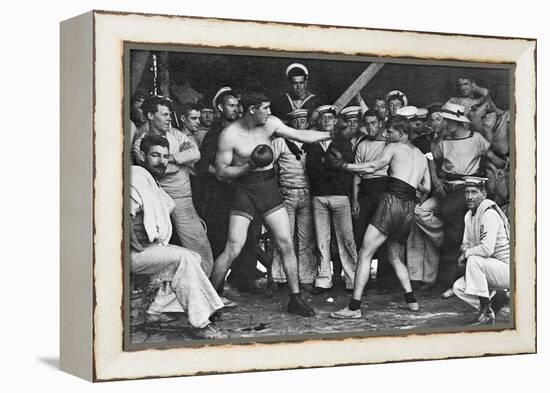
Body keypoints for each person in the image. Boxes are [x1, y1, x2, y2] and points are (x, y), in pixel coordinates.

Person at [210, 88, 333, 317]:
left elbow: (301, 135)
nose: (269, 111)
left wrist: (330, 134)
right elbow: (220, 172)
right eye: (264, 108)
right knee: (233, 246)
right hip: (244, 189)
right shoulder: (230, 134)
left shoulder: (271, 123)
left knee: (286, 242)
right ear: (252, 110)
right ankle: (209, 300)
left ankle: (295, 300)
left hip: (268, 187)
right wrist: (248, 166)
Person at [329, 115, 431, 319]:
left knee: (365, 252)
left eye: (390, 131)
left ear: (401, 133)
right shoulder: (420, 155)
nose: (386, 134)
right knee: (394, 256)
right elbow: (426, 187)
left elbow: (372, 167)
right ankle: (411, 301)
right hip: (408, 206)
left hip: (392, 202)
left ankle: (353, 308)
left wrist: (343, 166)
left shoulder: (394, 147)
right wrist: (407, 182)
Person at [130, 134, 228, 339]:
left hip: (147, 249)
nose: (161, 161)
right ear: (141, 155)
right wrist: (134, 244)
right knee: (183, 259)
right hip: (130, 254)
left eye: (165, 156)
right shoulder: (137, 177)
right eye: (155, 155)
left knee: (194, 257)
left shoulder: (151, 181)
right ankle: (200, 323)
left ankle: (154, 312)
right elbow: (124, 215)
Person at [133, 96, 214, 276]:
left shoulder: (175, 134)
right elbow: (158, 169)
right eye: (164, 114)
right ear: (150, 115)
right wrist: (180, 162)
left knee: (198, 242)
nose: (170, 118)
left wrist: (171, 158)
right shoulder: (141, 140)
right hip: (159, 201)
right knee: (158, 247)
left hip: (182, 197)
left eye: (170, 114)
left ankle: (208, 288)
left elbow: (195, 153)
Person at [195, 87, 263, 294]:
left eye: (237, 105)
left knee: (250, 235)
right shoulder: (214, 135)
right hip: (221, 195)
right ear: (219, 108)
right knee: (221, 238)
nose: (236, 109)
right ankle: (215, 287)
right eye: (231, 105)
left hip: (244, 192)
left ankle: (245, 279)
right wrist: (224, 175)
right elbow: (202, 165)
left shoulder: (243, 131)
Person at [431, 103, 490, 298]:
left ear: (457, 121)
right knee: (453, 236)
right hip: (449, 187)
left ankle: (466, 282)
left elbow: (491, 156)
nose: (445, 124)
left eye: (448, 120)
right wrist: (435, 178)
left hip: (469, 188)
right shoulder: (444, 140)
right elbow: (430, 157)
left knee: (460, 234)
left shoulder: (476, 139)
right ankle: (451, 283)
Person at [306, 105, 358, 292]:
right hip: (319, 196)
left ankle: (353, 280)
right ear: (318, 121)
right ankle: (323, 280)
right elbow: (311, 170)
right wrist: (330, 167)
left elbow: (347, 169)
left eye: (330, 117)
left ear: (335, 121)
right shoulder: (312, 142)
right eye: (324, 118)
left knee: (347, 240)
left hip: (340, 195)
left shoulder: (343, 142)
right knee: (321, 240)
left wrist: (326, 167)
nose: (327, 120)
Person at [270, 109, 318, 292]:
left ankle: (306, 278)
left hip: (307, 194)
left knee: (307, 239)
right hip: (286, 194)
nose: (299, 123)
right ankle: (278, 277)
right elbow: (271, 167)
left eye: (303, 120)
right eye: (296, 120)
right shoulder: (280, 142)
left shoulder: (311, 141)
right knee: (283, 237)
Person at [452, 177, 510, 325]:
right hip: (490, 268)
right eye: (466, 192)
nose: (469, 196)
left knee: (473, 260)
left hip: (508, 270)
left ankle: (485, 310)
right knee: (459, 287)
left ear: (483, 194)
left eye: (474, 192)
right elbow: (465, 245)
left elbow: (487, 249)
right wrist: (466, 251)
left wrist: (466, 254)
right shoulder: (469, 215)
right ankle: (494, 304)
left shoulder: (488, 214)